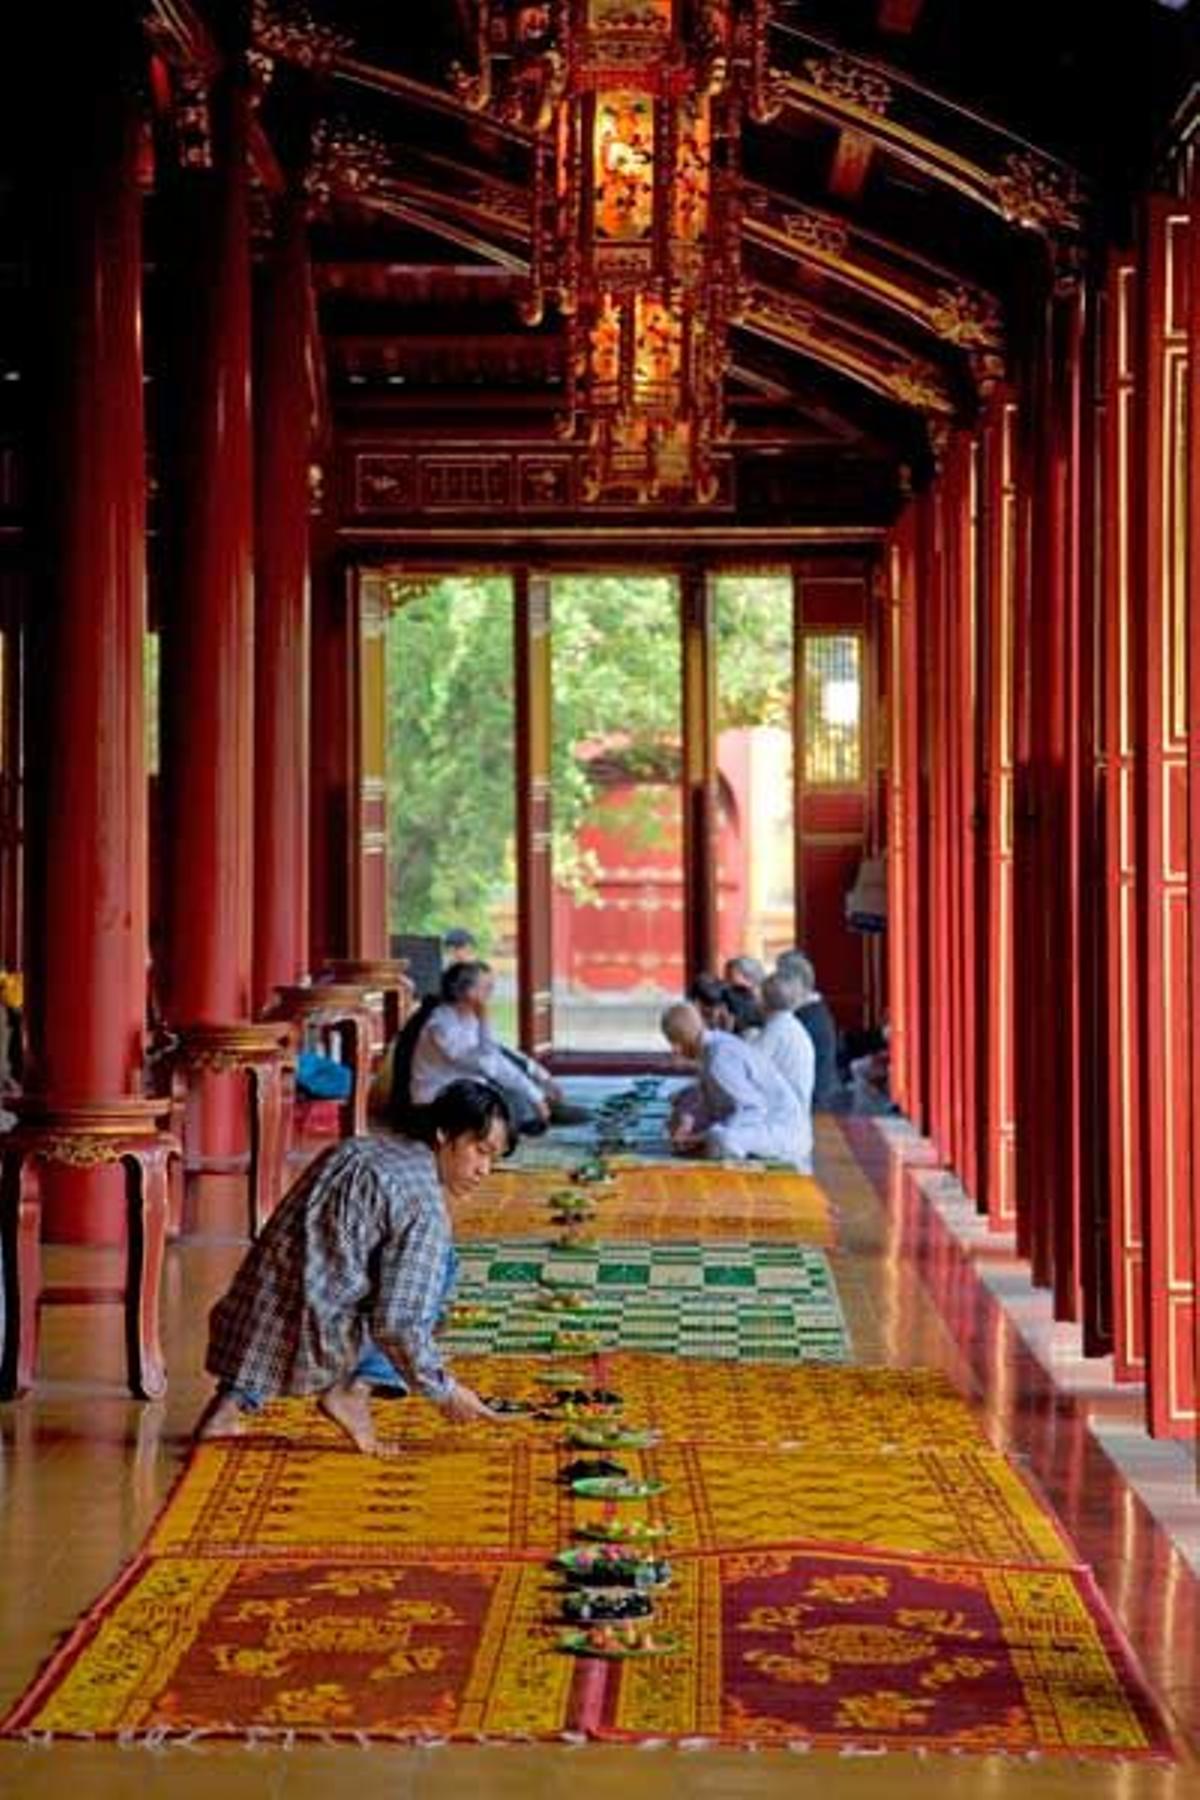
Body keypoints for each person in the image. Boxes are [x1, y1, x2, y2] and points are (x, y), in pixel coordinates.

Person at [197, 1080, 514, 1455]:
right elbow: (399, 1323)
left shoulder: (356, 1148)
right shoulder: (423, 1206)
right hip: (316, 1335)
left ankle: (227, 1409)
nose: (484, 1170)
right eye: (480, 1151)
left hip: (254, 1323)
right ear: (443, 1134)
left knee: (336, 1269)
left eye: (493, 1159)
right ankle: (354, 1390)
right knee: (439, 1265)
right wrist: (444, 1390)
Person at [660, 999, 808, 1169]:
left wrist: (702, 1137)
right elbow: (711, 1101)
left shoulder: (719, 1057)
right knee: (713, 1133)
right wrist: (688, 1119)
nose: (675, 1050)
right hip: (763, 1124)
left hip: (780, 1130)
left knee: (722, 1139)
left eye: (674, 1042)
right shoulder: (712, 1048)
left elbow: (753, 1110)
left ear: (682, 1039)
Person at [756, 973, 815, 1173]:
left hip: (783, 1131)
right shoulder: (790, 1027)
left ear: (763, 1000)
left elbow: (747, 1071)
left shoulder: (776, 1031)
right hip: (795, 1126)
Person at [776, 949, 842, 1110]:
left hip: (816, 1097)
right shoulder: (810, 1011)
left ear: (795, 983)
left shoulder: (809, 1016)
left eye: (780, 979)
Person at [722, 955, 765, 1033]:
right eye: (725, 976)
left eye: (730, 976)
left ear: (749, 977)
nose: (725, 982)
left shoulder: (767, 1002)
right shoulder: (726, 995)